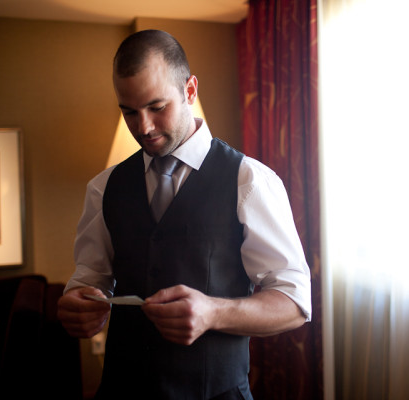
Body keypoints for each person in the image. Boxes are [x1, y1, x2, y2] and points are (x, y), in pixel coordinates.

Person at [57, 29, 311, 400]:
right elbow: (90, 279)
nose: (143, 127)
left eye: (157, 107)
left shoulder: (250, 180)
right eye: (129, 112)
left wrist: (214, 313)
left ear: (190, 90)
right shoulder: (104, 187)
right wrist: (77, 302)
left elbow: (295, 303)